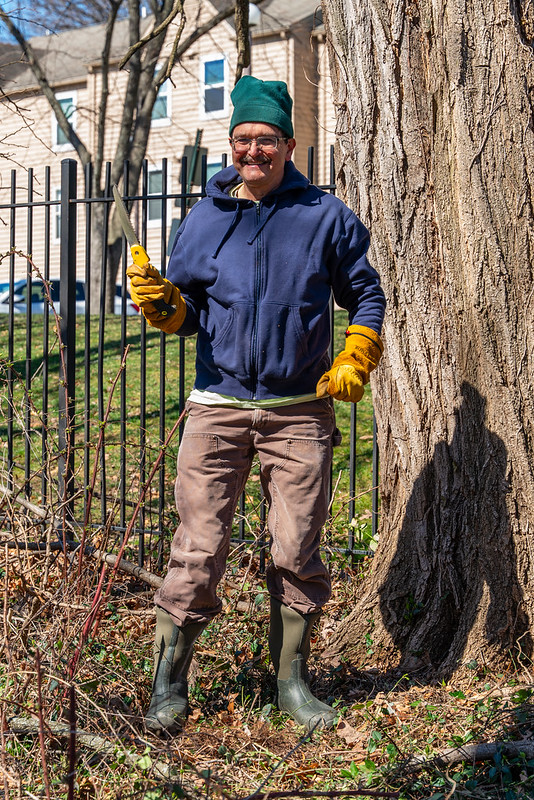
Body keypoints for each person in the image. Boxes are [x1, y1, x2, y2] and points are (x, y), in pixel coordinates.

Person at [127, 75, 386, 735]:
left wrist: (355, 354)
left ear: (289, 145)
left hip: (300, 410)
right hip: (216, 408)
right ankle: (169, 685)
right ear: (231, 144)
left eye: (266, 140)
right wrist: (165, 306)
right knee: (198, 547)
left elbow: (367, 292)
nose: (253, 151)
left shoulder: (325, 217)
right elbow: (186, 313)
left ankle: (291, 685)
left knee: (296, 547)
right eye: (242, 139)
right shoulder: (207, 219)